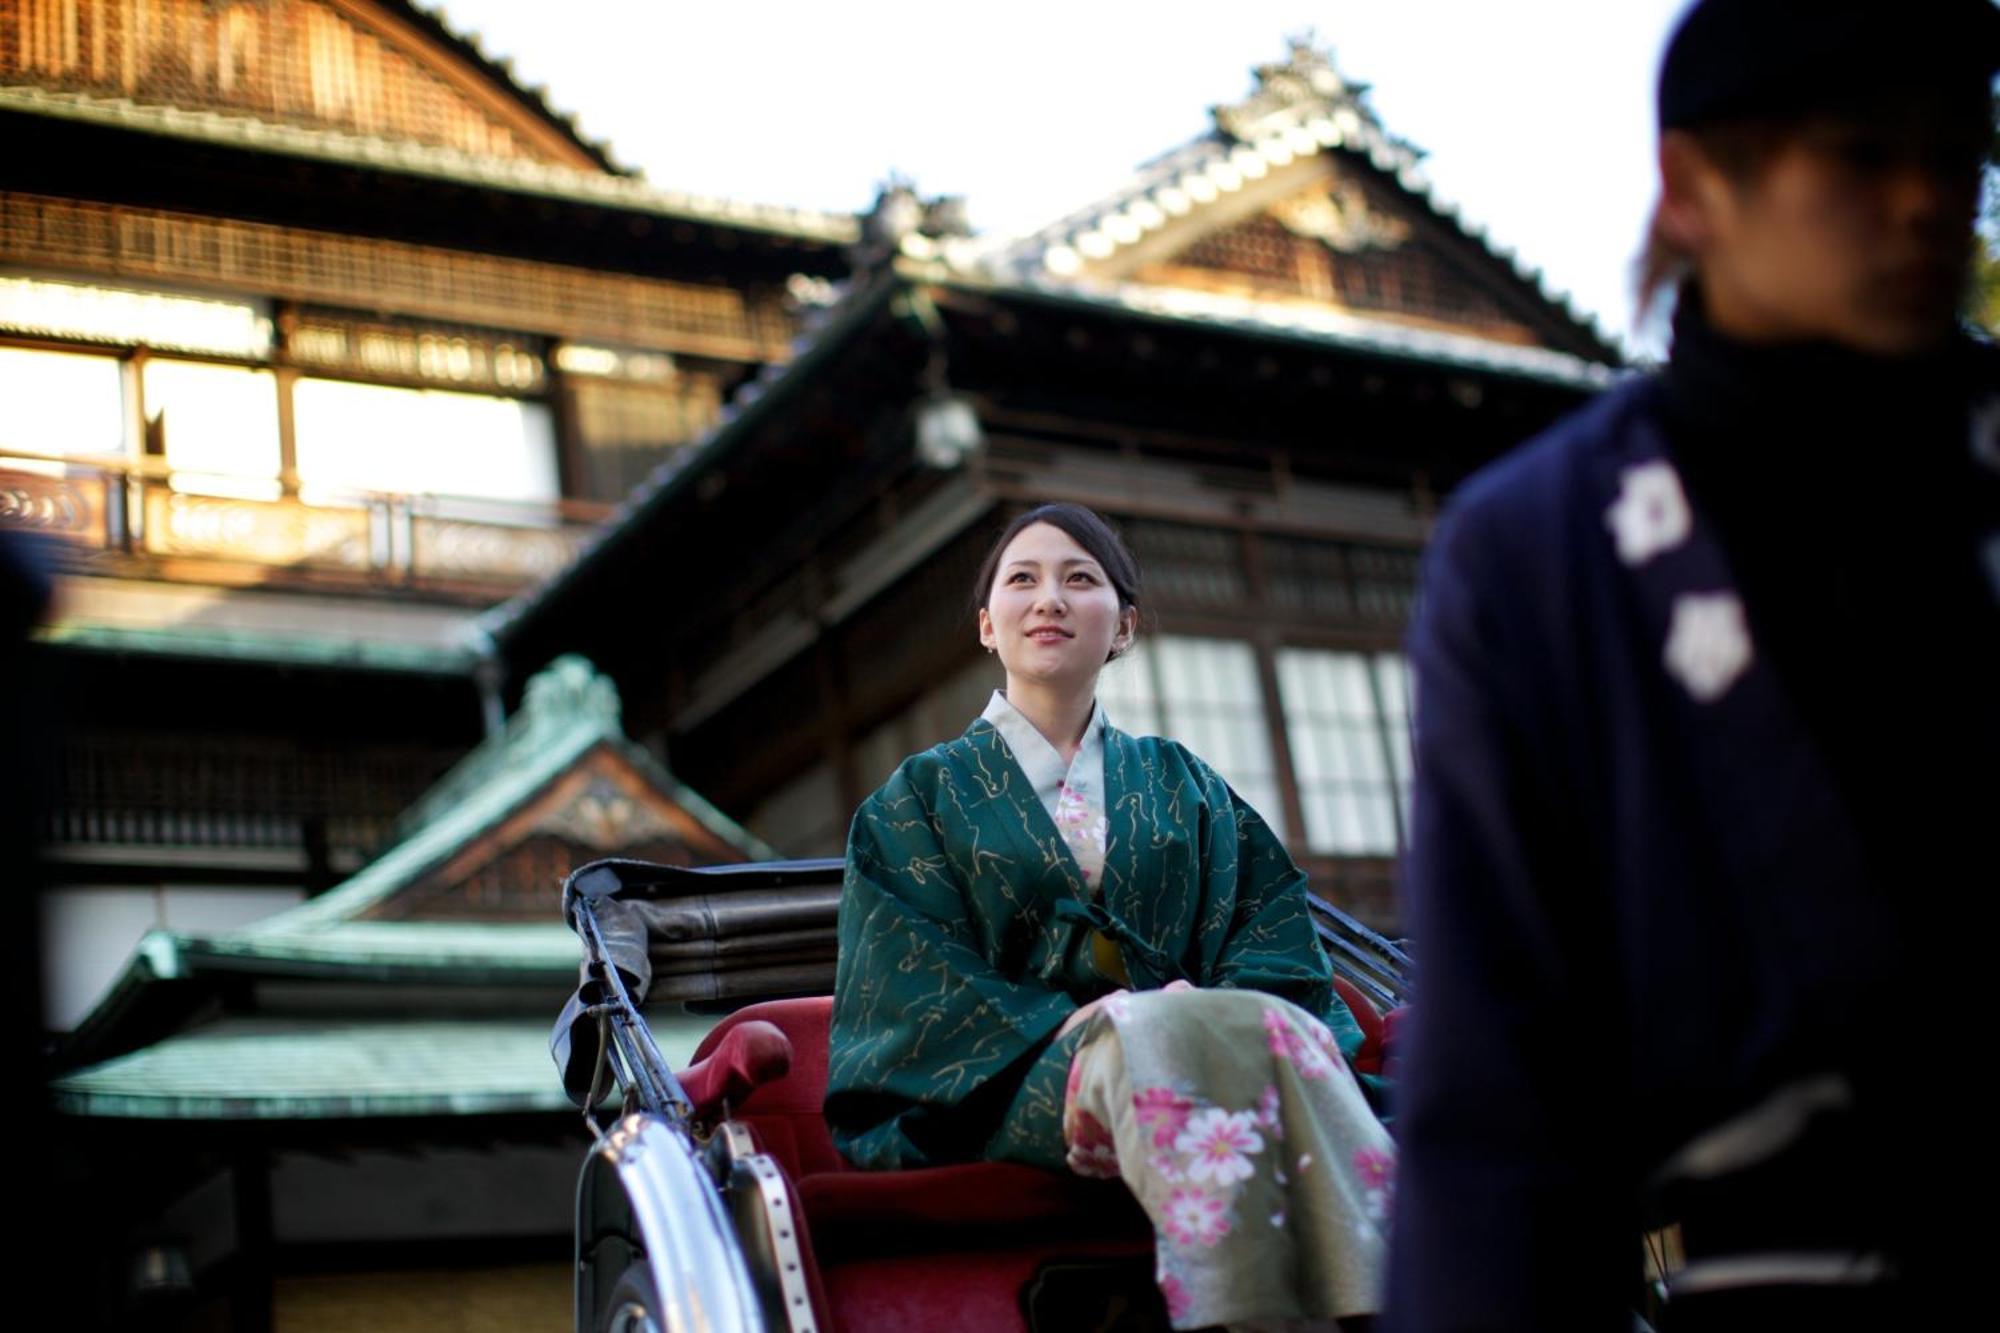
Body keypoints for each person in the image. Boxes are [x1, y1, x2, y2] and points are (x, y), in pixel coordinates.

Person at [1385, 2, 2000, 1330]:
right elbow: (1491, 1088)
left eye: (1958, 158)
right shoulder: (1538, 546)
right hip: (1777, 1271)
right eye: (1857, 156)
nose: (1922, 204)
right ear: (1693, 182)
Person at [826, 503, 1394, 1330]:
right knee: (1153, 1040)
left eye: (1079, 579)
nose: (1048, 598)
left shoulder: (1183, 781)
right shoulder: (917, 798)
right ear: (989, 625)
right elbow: (910, 974)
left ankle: (1404, 1287)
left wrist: (1197, 1008)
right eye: (1022, 580)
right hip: (1015, 1073)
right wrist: (1078, 1023)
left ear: (1122, 626)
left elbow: (1266, 929)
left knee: (1269, 1028)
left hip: (1192, 1032)